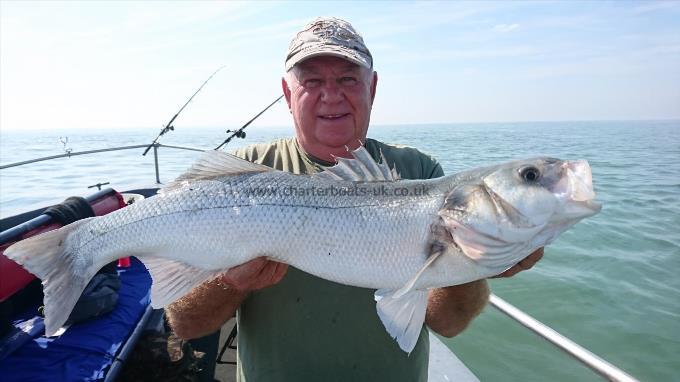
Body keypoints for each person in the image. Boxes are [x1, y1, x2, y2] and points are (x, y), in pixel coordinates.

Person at [166, 16, 544, 381]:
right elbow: (186, 323)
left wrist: (472, 261)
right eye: (312, 81)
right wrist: (232, 282)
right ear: (287, 93)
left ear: (373, 87)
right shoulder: (244, 170)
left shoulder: (419, 170)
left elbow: (448, 323)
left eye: (348, 78)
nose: (331, 95)